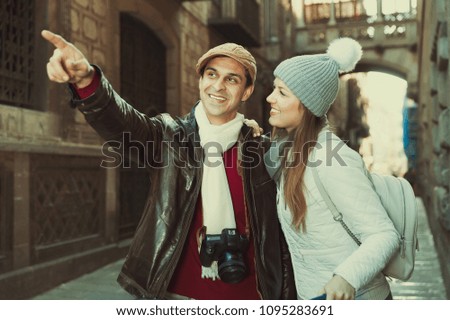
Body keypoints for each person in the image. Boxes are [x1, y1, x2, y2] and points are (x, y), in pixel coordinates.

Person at [41, 30, 296, 300]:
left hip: (251, 295)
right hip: (178, 296)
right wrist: (87, 81)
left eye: (231, 79)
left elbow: (285, 235)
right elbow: (123, 123)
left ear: (246, 91)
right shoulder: (170, 137)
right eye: (212, 74)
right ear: (200, 81)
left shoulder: (262, 150)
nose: (218, 86)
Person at [263, 37, 400, 300]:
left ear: (307, 104)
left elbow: (383, 234)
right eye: (274, 89)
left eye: (282, 92)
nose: (270, 98)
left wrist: (346, 276)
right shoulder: (290, 154)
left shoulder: (332, 158)